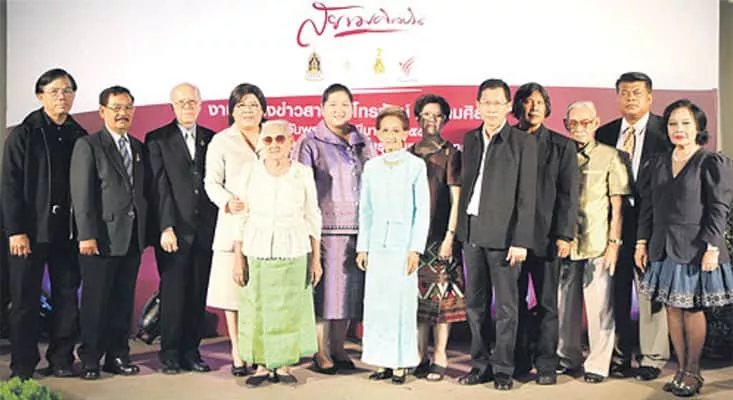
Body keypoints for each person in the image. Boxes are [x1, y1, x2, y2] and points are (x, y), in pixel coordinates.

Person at [635, 99, 733, 397]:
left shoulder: (711, 162)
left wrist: (712, 246)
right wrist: (641, 242)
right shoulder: (657, 162)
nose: (679, 129)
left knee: (691, 309)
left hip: (696, 248)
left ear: (698, 127)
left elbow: (719, 207)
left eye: (686, 123)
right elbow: (647, 207)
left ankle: (693, 371)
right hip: (662, 247)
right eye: (673, 123)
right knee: (672, 309)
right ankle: (680, 369)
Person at [1, 68, 87, 380]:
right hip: (30, 233)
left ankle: (61, 359)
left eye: (67, 91)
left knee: (67, 298)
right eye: (54, 91)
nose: (62, 97)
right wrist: (16, 230)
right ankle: (22, 365)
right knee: (24, 302)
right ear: (40, 96)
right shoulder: (25, 133)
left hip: (67, 232)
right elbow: (9, 185)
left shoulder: (80, 135)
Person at [456, 79, 537, 391]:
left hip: (505, 238)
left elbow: (527, 197)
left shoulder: (522, 142)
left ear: (508, 106)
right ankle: (480, 365)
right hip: (472, 233)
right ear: (477, 105)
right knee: (474, 306)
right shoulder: (470, 139)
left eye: (497, 102)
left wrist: (521, 240)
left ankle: (503, 369)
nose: (491, 108)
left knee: (506, 308)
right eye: (486, 102)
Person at [231, 120, 323, 387]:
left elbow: (312, 215)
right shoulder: (249, 172)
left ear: (291, 142)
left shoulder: (302, 173)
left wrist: (316, 259)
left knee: (288, 310)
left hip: (294, 249)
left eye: (280, 139)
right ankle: (261, 365)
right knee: (257, 308)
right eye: (268, 140)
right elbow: (240, 217)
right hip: (256, 249)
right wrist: (238, 258)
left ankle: (283, 364)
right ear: (262, 142)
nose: (274, 145)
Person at [293, 83, 377, 374]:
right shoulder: (310, 142)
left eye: (345, 104)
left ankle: (339, 348)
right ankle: (320, 351)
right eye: (333, 105)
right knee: (324, 294)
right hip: (324, 229)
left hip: (358, 228)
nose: (339, 110)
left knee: (348, 294)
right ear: (322, 108)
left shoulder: (363, 141)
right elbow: (301, 190)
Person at [70, 86, 152, 380]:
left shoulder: (138, 147)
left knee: (122, 301)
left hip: (131, 238)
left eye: (127, 107)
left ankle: (118, 356)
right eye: (116, 108)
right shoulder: (88, 145)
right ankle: (90, 359)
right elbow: (82, 195)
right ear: (102, 111)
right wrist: (86, 235)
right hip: (100, 239)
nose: (122, 113)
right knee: (96, 303)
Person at [596, 72, 672, 380]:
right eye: (625, 92)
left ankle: (652, 358)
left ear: (650, 97)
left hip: (652, 224)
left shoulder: (665, 133)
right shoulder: (605, 133)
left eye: (637, 93)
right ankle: (619, 355)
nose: (630, 98)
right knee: (615, 293)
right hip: (614, 227)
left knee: (649, 292)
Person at [145, 83, 218, 374]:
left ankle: (191, 351)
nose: (187, 106)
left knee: (197, 294)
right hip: (174, 232)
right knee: (173, 295)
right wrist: (166, 227)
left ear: (200, 104)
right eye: (181, 102)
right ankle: (170, 353)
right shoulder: (157, 139)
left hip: (205, 230)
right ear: (172, 106)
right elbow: (159, 188)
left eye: (192, 102)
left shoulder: (212, 139)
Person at [556, 101, 631, 384]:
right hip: (565, 243)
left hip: (597, 243)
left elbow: (618, 207)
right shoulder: (559, 154)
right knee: (564, 306)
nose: (579, 128)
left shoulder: (611, 156)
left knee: (600, 307)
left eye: (585, 122)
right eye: (573, 123)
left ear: (596, 122)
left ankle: (598, 364)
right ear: (565, 125)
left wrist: (614, 243)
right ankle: (567, 357)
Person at [511, 83, 579, 384]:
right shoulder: (506, 140)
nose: (534, 107)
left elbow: (568, 195)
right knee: (513, 303)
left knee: (548, 303)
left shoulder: (562, 146)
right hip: (510, 238)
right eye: (528, 102)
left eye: (539, 102)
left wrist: (565, 235)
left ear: (547, 107)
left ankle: (547, 365)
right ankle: (519, 360)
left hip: (548, 237)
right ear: (518, 106)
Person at [357, 106, 430, 385]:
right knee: (377, 305)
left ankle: (401, 364)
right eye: (385, 130)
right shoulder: (371, 167)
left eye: (396, 130)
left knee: (401, 305)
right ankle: (381, 362)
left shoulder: (415, 166)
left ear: (406, 133)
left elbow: (422, 211)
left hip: (403, 248)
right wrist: (363, 247)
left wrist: (415, 249)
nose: (390, 135)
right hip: (377, 245)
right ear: (377, 133)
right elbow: (366, 210)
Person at [204, 83, 266, 376]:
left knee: (262, 294)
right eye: (241, 105)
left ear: (263, 110)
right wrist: (228, 202)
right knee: (233, 294)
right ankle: (238, 352)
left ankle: (260, 351)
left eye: (254, 105)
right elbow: (211, 183)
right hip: (233, 223)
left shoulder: (274, 136)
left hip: (267, 226)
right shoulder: (221, 141)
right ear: (232, 110)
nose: (248, 111)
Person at [407, 94, 466, 382]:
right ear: (417, 118)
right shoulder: (408, 154)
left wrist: (449, 237)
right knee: (418, 300)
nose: (431, 120)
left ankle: (440, 354)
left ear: (445, 120)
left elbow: (457, 201)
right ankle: (419, 354)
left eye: (437, 115)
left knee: (443, 301)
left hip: (441, 236)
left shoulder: (451, 153)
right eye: (426, 114)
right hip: (413, 239)